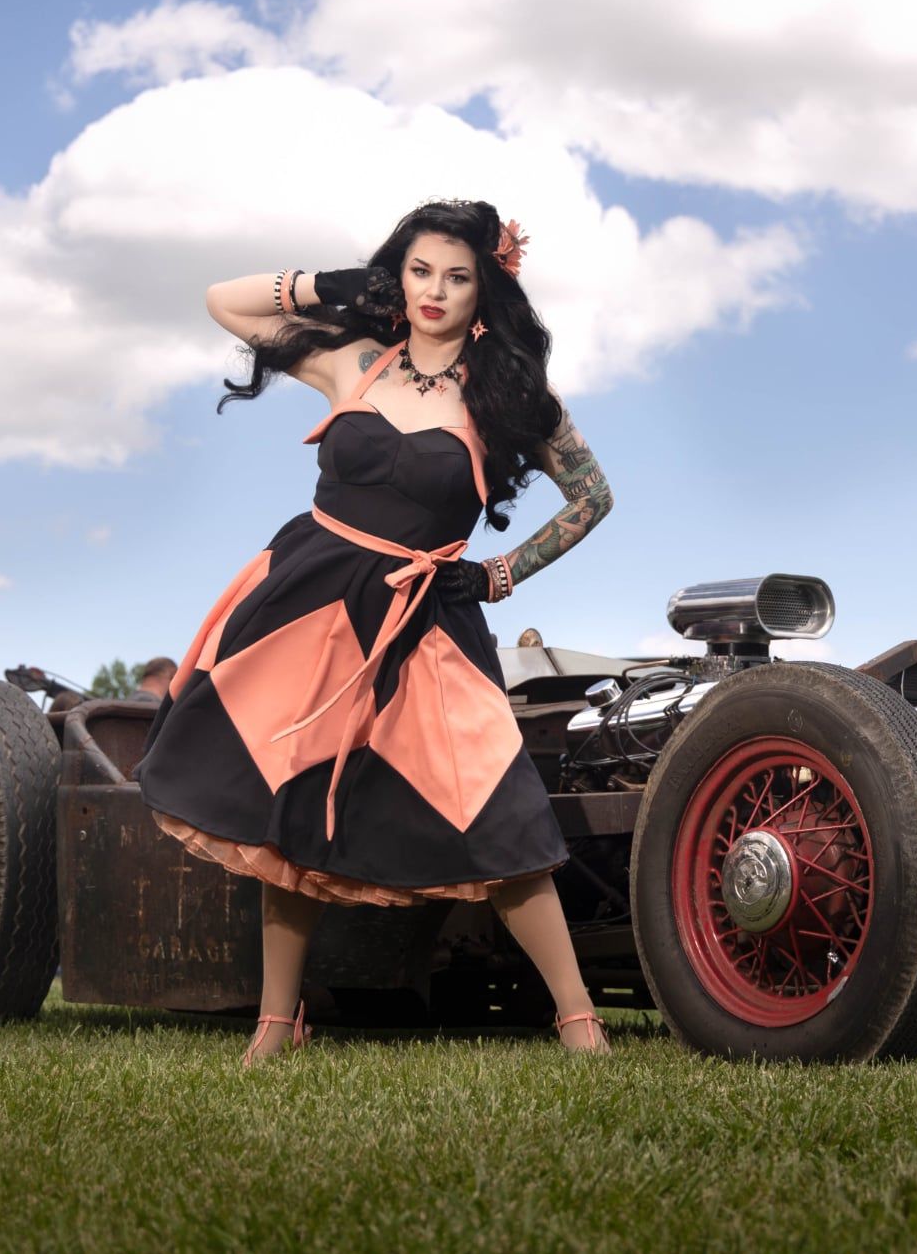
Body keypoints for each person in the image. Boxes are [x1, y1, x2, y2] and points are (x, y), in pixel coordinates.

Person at [135, 199, 615, 1064]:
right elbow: (223, 300)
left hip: (427, 618)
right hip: (310, 608)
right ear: (401, 273)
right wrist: (328, 284)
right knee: (284, 816)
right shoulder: (352, 358)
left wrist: (502, 573)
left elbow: (593, 497)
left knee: (498, 811)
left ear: (485, 289)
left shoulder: (507, 395)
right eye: (421, 270)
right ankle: (276, 1024)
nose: (436, 291)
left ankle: (579, 1019)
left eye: (458, 276)